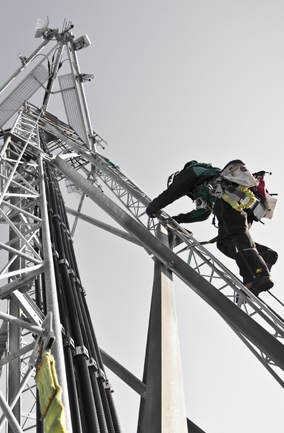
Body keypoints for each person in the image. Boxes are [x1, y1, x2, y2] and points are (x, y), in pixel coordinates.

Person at [146, 160, 278, 296]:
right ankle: (263, 254)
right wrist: (177, 219)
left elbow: (173, 192)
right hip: (243, 204)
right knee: (226, 243)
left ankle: (256, 275)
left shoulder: (192, 171)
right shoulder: (207, 181)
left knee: (234, 237)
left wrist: (154, 206)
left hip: (230, 198)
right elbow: (202, 214)